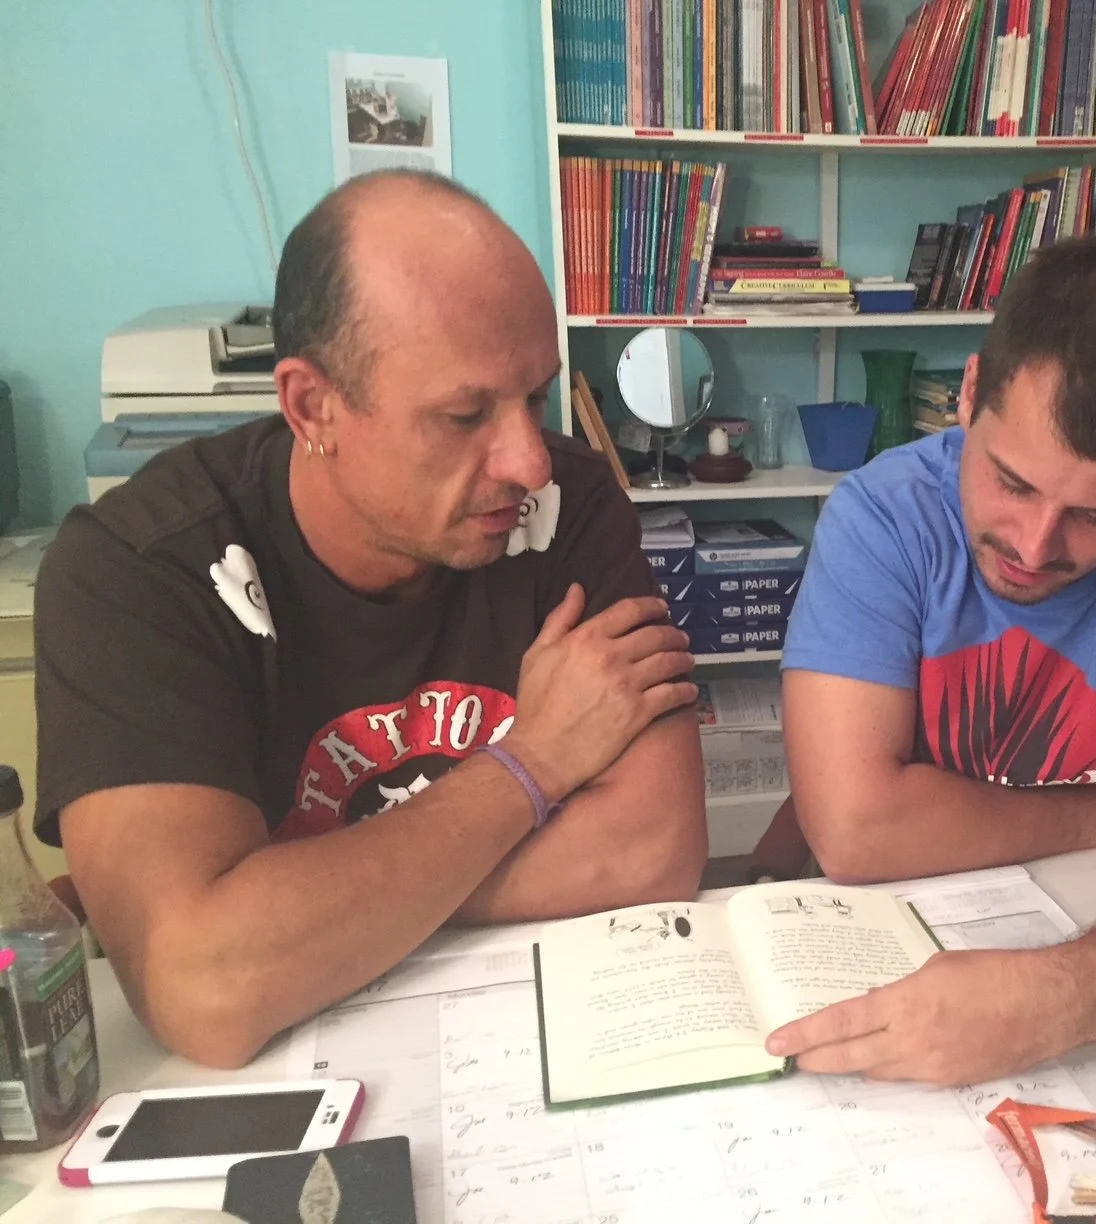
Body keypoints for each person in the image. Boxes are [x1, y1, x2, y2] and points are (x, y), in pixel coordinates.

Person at [33, 170, 706, 1069]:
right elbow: (204, 986)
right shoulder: (138, 570)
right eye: (465, 414)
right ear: (313, 406)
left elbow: (655, 850)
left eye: (537, 396)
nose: (530, 461)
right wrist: (532, 765)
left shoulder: (568, 508)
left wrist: (305, 910)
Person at [764, 236, 1096, 1086]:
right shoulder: (881, 517)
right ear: (970, 393)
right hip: (885, 947)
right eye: (1013, 483)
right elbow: (855, 829)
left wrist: (1071, 992)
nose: (1033, 545)